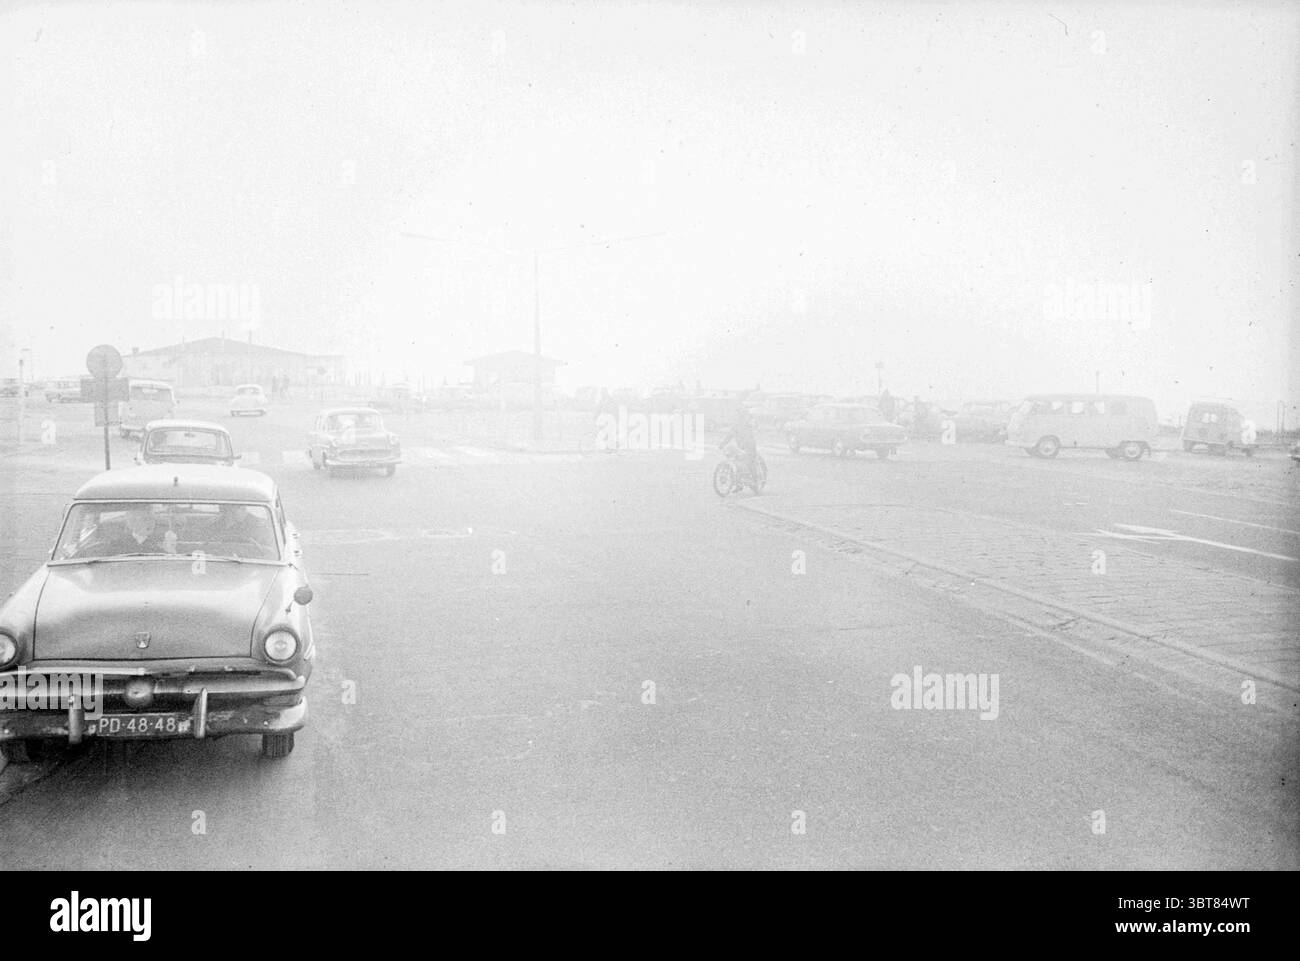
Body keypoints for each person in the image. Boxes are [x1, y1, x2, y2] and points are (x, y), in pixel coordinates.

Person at [97, 505, 175, 556]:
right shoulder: (117, 544)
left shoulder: (162, 541)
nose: (151, 523)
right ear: (132, 523)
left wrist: (170, 550)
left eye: (152, 519)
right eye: (145, 519)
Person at [719, 405, 759, 483]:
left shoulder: (747, 423)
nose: (736, 416)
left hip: (749, 446)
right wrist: (722, 445)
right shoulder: (737, 425)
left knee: (749, 462)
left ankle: (755, 481)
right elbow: (729, 435)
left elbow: (750, 433)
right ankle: (739, 481)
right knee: (736, 461)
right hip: (741, 447)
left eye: (738, 415)